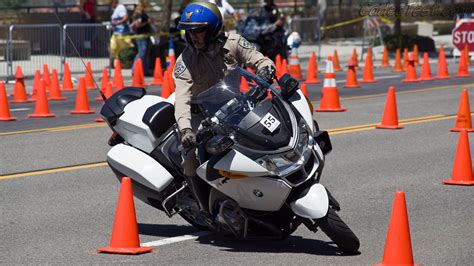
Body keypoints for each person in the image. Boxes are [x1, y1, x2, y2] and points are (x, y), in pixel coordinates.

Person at [173, 2, 275, 213]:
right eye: (189, 31)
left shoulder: (234, 42)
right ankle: (204, 208)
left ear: (212, 28)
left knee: (264, 139)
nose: (193, 36)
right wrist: (186, 130)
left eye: (199, 30)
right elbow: (181, 98)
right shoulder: (185, 60)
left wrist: (266, 70)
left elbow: (258, 59)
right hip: (201, 117)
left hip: (235, 109)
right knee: (190, 159)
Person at [131, 0, 153, 76]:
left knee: (146, 53)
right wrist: (147, 22)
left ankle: (145, 71)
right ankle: (134, 70)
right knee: (141, 53)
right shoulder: (138, 13)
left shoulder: (143, 13)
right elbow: (137, 25)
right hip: (140, 36)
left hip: (146, 35)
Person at [109, 0, 133, 67]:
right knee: (113, 49)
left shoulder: (121, 8)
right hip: (116, 33)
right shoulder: (117, 8)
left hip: (122, 33)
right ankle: (112, 65)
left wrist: (118, 22)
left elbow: (125, 17)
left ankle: (124, 64)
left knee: (122, 49)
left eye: (111, 3)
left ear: (114, 2)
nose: (111, 5)